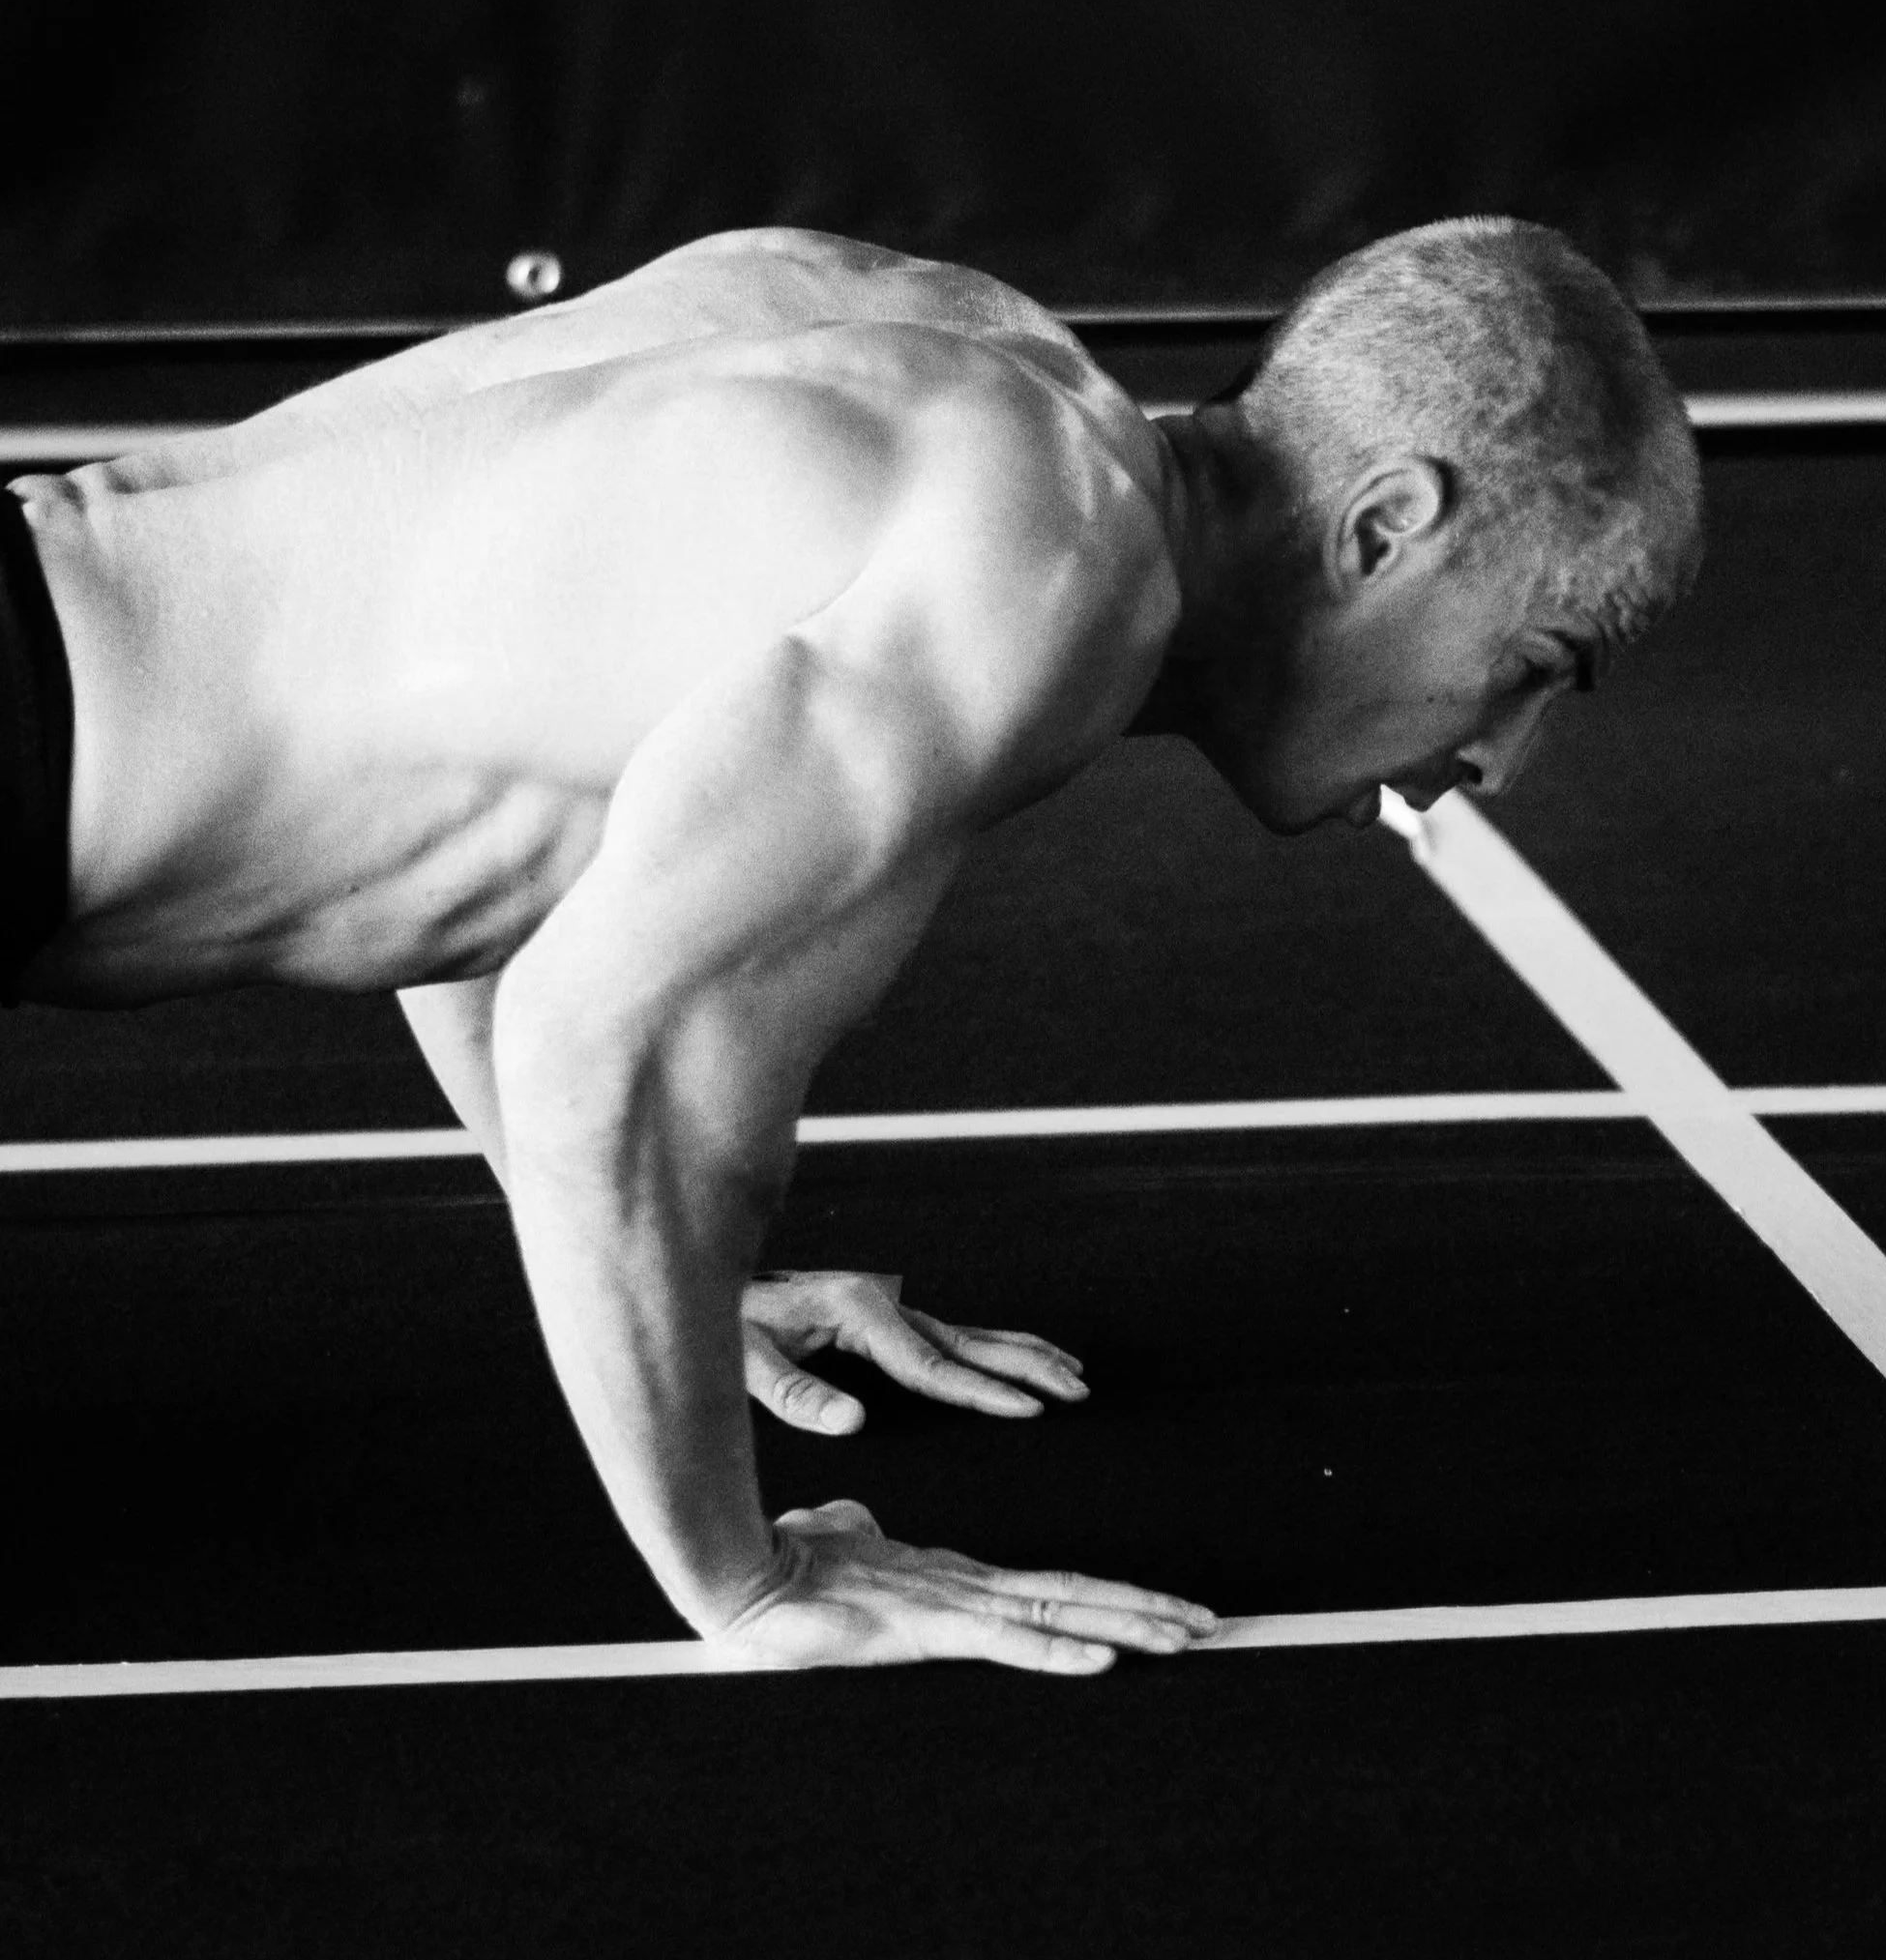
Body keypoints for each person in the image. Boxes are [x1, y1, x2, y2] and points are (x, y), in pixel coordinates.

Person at [2, 218, 1703, 1673]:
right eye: (1539, 659)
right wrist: (753, 1577)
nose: (1498, 759)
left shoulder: (945, 348)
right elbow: (616, 1055)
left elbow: (488, 854)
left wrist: (675, 1286)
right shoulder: (1049, 569)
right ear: (1387, 525)